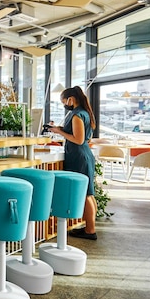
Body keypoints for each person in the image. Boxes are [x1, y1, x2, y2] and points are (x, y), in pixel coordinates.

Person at [48, 86, 98, 240]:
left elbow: (78, 139)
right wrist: (59, 128)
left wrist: (59, 132)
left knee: (85, 194)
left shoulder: (77, 115)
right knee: (88, 193)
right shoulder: (84, 113)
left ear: (71, 99)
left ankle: (90, 230)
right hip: (83, 155)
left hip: (79, 156)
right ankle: (90, 227)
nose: (64, 104)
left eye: (64, 101)